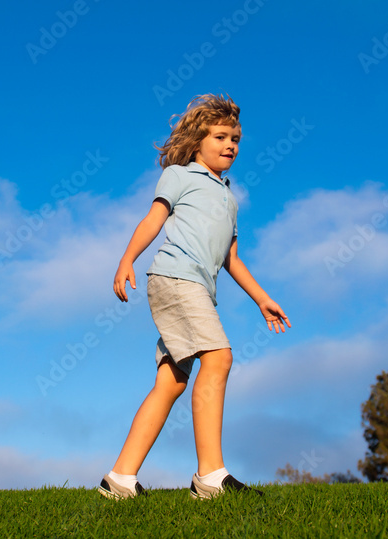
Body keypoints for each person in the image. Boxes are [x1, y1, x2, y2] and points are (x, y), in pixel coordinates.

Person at [98, 93, 291, 500]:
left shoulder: (230, 198)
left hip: (197, 286)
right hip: (175, 277)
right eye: (221, 136)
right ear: (198, 139)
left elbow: (231, 259)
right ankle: (210, 477)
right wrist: (127, 258)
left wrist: (261, 298)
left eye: (236, 139)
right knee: (219, 357)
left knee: (171, 382)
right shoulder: (180, 175)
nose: (230, 145)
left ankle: (120, 480)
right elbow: (155, 217)